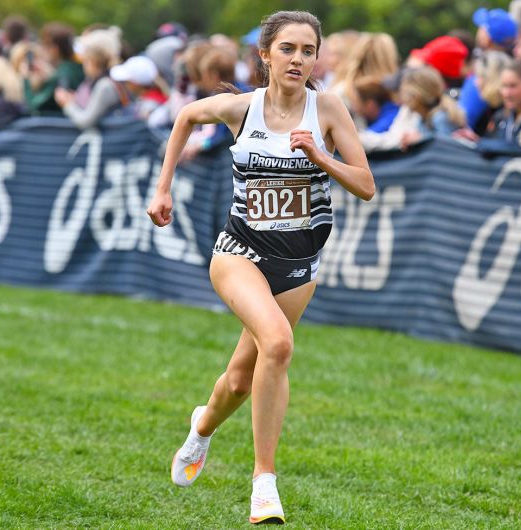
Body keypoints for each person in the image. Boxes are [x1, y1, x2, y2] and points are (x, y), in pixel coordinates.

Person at [146, 10, 374, 525]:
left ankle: (201, 428)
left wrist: (322, 157)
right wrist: (163, 189)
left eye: (308, 50)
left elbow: (365, 184)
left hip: (297, 264)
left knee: (239, 379)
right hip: (238, 253)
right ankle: (264, 484)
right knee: (278, 343)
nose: (299, 59)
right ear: (266, 55)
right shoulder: (240, 109)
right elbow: (183, 118)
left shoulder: (329, 109)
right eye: (288, 49)